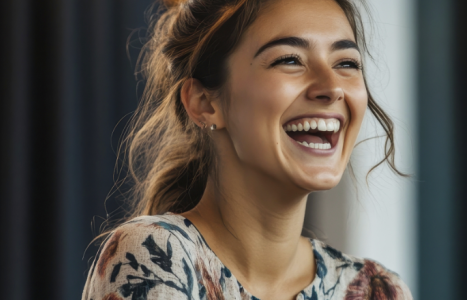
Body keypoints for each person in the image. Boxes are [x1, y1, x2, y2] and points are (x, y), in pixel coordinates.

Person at [81, 0, 411, 299]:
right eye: (289, 59)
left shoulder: (377, 289)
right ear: (204, 103)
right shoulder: (154, 255)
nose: (332, 87)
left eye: (347, 63)